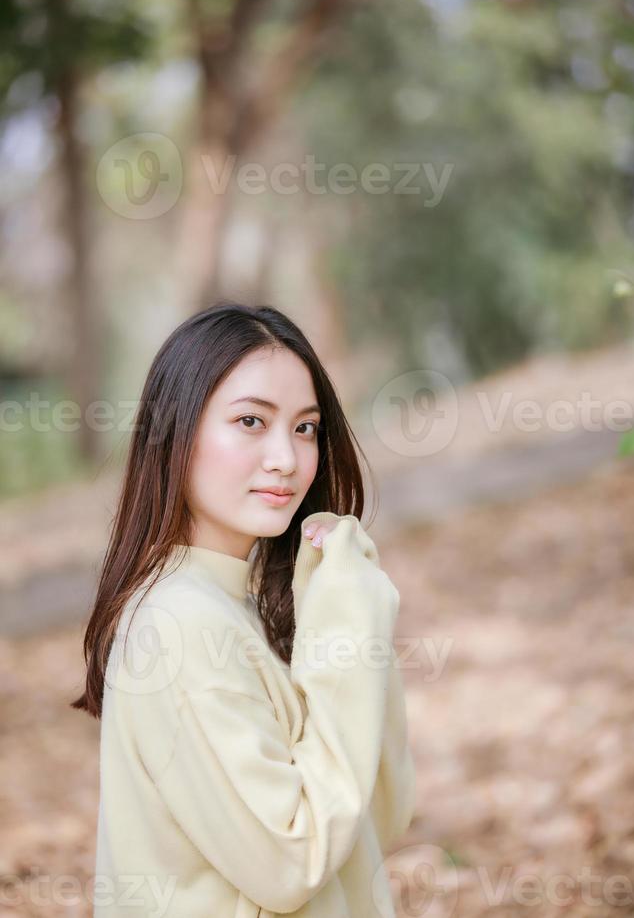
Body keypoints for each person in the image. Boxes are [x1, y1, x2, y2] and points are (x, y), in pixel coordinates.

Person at [71, 302, 416, 917]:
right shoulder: (178, 626)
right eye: (252, 421)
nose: (287, 457)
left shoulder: (253, 604)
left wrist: (343, 617)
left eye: (305, 427)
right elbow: (295, 862)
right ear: (175, 433)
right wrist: (346, 629)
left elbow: (377, 816)